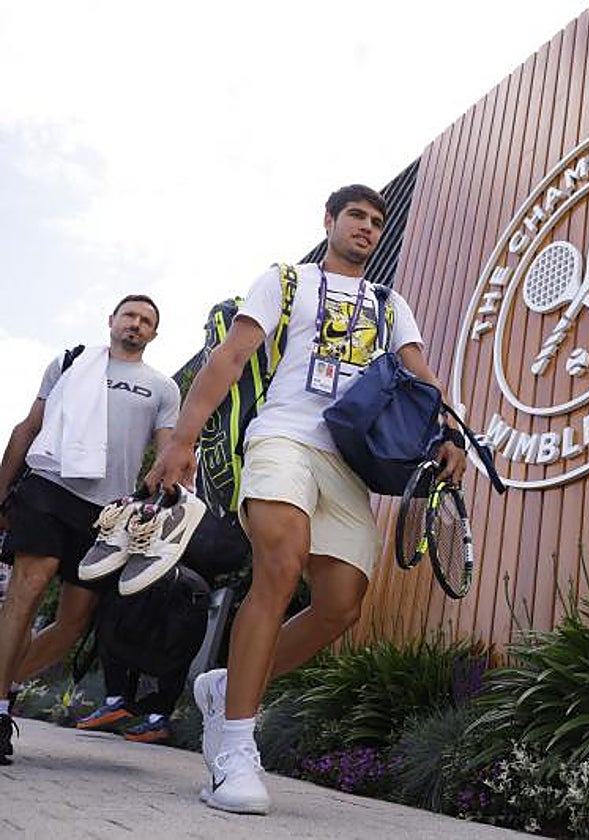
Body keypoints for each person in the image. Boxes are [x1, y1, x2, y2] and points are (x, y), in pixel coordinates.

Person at [146, 184, 466, 815]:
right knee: (281, 565)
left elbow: (420, 373)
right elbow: (232, 355)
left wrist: (451, 429)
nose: (369, 228)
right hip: (283, 438)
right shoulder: (285, 280)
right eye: (357, 216)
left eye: (378, 221)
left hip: (349, 461)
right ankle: (235, 751)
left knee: (341, 606)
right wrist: (181, 440)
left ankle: (224, 686)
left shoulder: (389, 302)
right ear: (329, 222)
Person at [0, 295, 180, 765]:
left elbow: (168, 450)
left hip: (109, 513)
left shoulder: (161, 388)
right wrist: (0, 494)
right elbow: (27, 427)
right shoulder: (70, 363)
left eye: (146, 321)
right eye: (130, 316)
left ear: (153, 334)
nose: (136, 324)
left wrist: (169, 482)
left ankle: (5, 681)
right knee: (28, 588)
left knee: (73, 622)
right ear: (112, 321)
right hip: (49, 487)